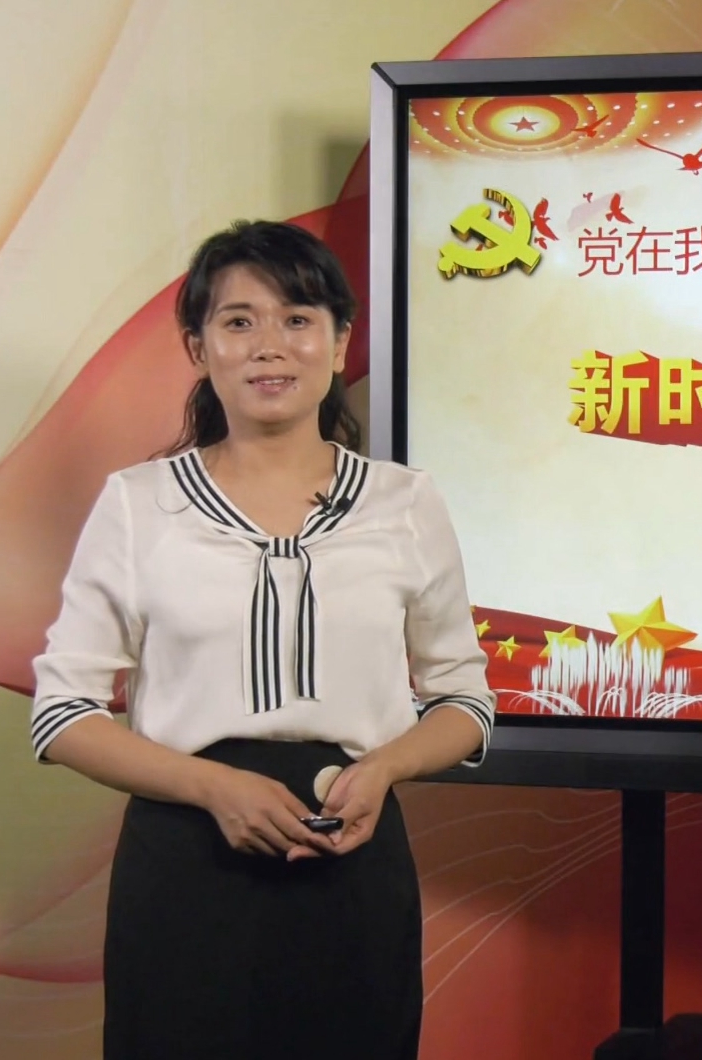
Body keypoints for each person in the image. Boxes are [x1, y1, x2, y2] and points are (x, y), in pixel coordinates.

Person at [28, 219, 493, 1060]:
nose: (269, 345)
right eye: (238, 321)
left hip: (351, 854)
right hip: (184, 863)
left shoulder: (404, 503)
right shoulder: (138, 503)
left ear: (339, 341)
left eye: (297, 318)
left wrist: (384, 768)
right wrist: (213, 788)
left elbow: (464, 699)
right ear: (197, 347)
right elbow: (62, 715)